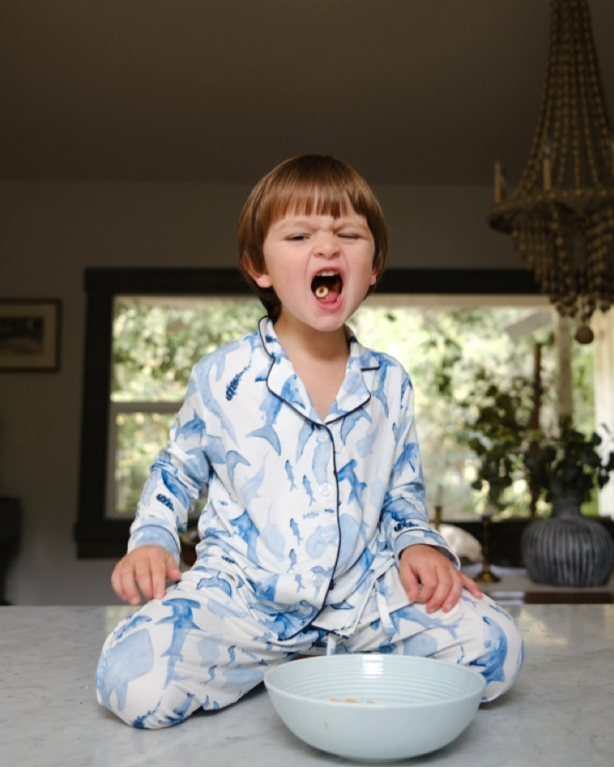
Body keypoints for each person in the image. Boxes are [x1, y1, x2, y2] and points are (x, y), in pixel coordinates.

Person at [96, 154, 524, 729]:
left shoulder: (388, 383)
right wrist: (153, 540)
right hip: (240, 600)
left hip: (365, 599)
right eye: (299, 235)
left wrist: (421, 549)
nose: (327, 248)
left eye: (348, 234)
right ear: (260, 266)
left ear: (372, 268)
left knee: (497, 649)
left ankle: (333, 659)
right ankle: (280, 664)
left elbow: (403, 494)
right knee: (130, 683)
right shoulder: (222, 374)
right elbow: (177, 472)